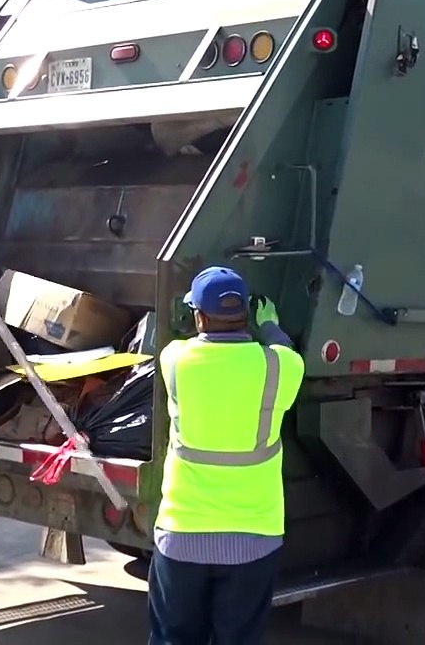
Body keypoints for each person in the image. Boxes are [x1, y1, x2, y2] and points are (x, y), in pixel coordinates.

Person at [149, 266, 305, 645]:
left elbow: (177, 339)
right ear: (247, 315)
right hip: (254, 538)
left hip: (183, 533)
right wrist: (269, 324)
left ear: (198, 315)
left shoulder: (175, 361)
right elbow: (282, 345)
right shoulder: (280, 367)